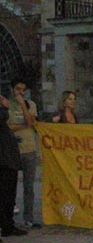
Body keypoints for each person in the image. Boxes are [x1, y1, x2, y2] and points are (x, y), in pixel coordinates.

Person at [7, 78, 40, 229]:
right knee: (9, 184)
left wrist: (23, 105)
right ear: (12, 89)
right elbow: (8, 126)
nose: (21, 92)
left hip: (29, 148)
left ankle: (29, 217)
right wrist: (22, 124)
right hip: (12, 149)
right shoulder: (7, 104)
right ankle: (8, 216)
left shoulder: (31, 104)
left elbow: (31, 122)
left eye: (23, 90)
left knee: (29, 185)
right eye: (18, 89)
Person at [0, 94, 28, 238]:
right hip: (4, 160)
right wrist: (4, 106)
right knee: (4, 194)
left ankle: (7, 225)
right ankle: (6, 224)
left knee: (9, 195)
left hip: (9, 160)